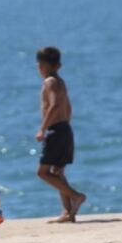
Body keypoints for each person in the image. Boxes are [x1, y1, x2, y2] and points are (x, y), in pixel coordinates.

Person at [35, 46, 87, 223]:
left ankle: (76, 196)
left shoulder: (49, 82)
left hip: (56, 130)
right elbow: (68, 106)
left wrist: (43, 128)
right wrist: (66, 126)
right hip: (65, 128)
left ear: (41, 66)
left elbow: (55, 105)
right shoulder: (60, 82)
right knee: (58, 172)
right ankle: (67, 211)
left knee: (42, 172)